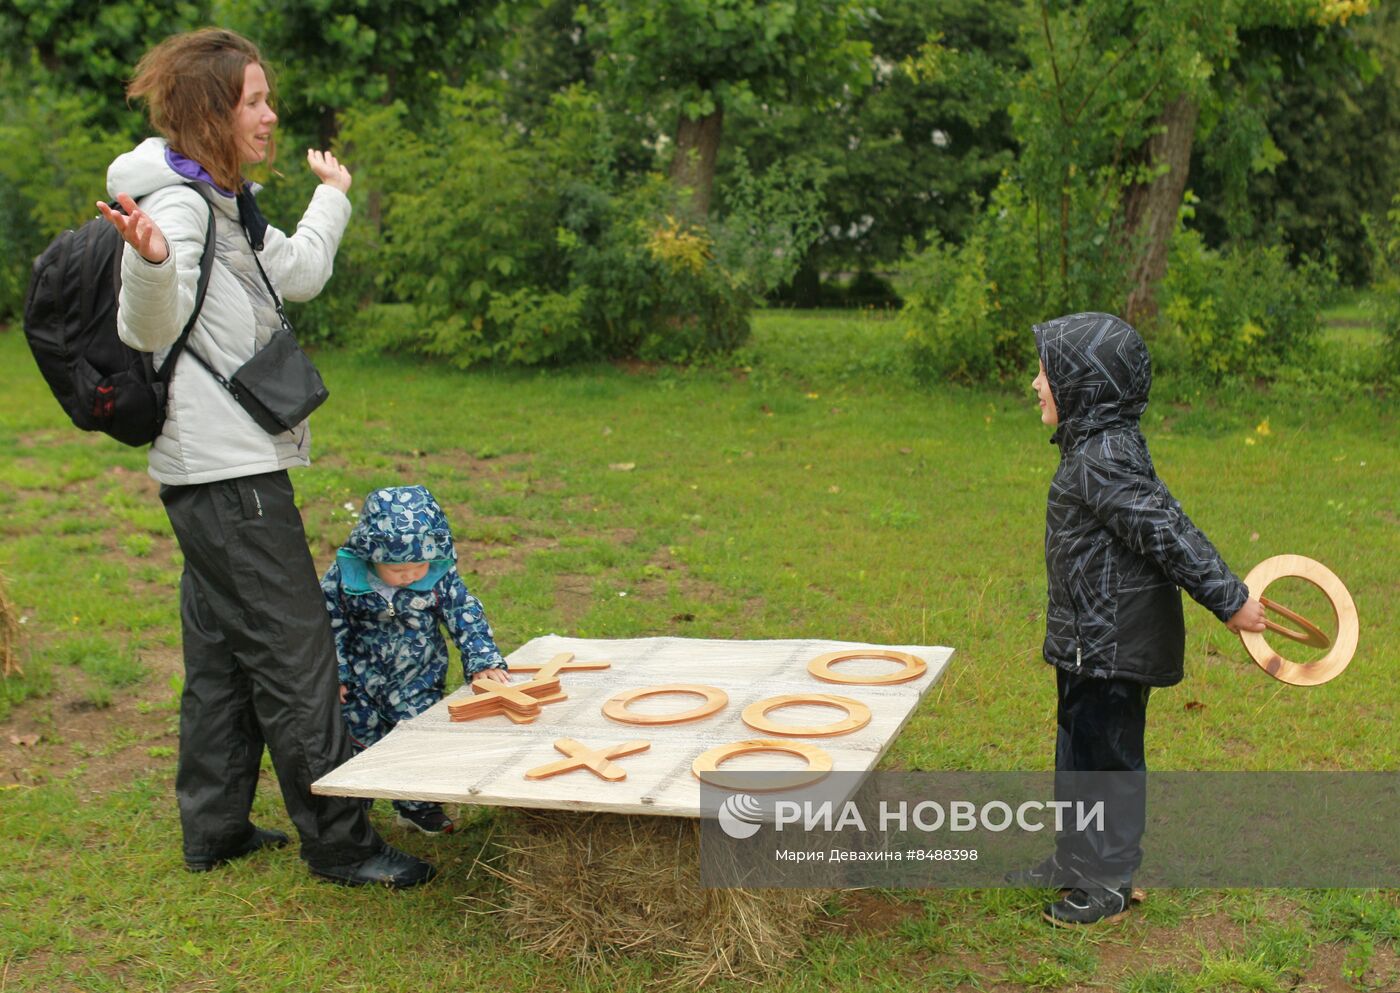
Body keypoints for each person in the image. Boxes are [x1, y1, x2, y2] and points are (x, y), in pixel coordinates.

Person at [98, 28, 434, 888]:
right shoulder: (177, 207)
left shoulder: (222, 201)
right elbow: (147, 326)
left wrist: (333, 196)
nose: (270, 113)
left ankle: (214, 827)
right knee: (295, 655)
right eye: (253, 99)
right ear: (213, 111)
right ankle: (343, 844)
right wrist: (146, 264)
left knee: (219, 655)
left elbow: (301, 271)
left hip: (209, 475)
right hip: (228, 478)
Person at [1012, 312, 1266, 926]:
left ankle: (1108, 879)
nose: (1036, 384)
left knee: (1108, 761)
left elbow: (1166, 532)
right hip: (1083, 641)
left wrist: (1229, 597)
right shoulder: (1096, 448)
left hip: (1114, 643)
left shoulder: (1104, 457)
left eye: (1047, 373)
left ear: (1084, 384)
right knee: (1076, 752)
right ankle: (1075, 857)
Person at [322, 486, 510, 835]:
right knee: (358, 741)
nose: (410, 575)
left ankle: (417, 807)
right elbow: (328, 625)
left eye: (418, 565)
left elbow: (463, 614)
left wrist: (482, 658)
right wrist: (337, 673)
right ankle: (352, 808)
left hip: (418, 680)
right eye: (398, 568)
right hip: (362, 685)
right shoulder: (345, 579)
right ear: (370, 555)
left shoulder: (438, 577)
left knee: (417, 744)